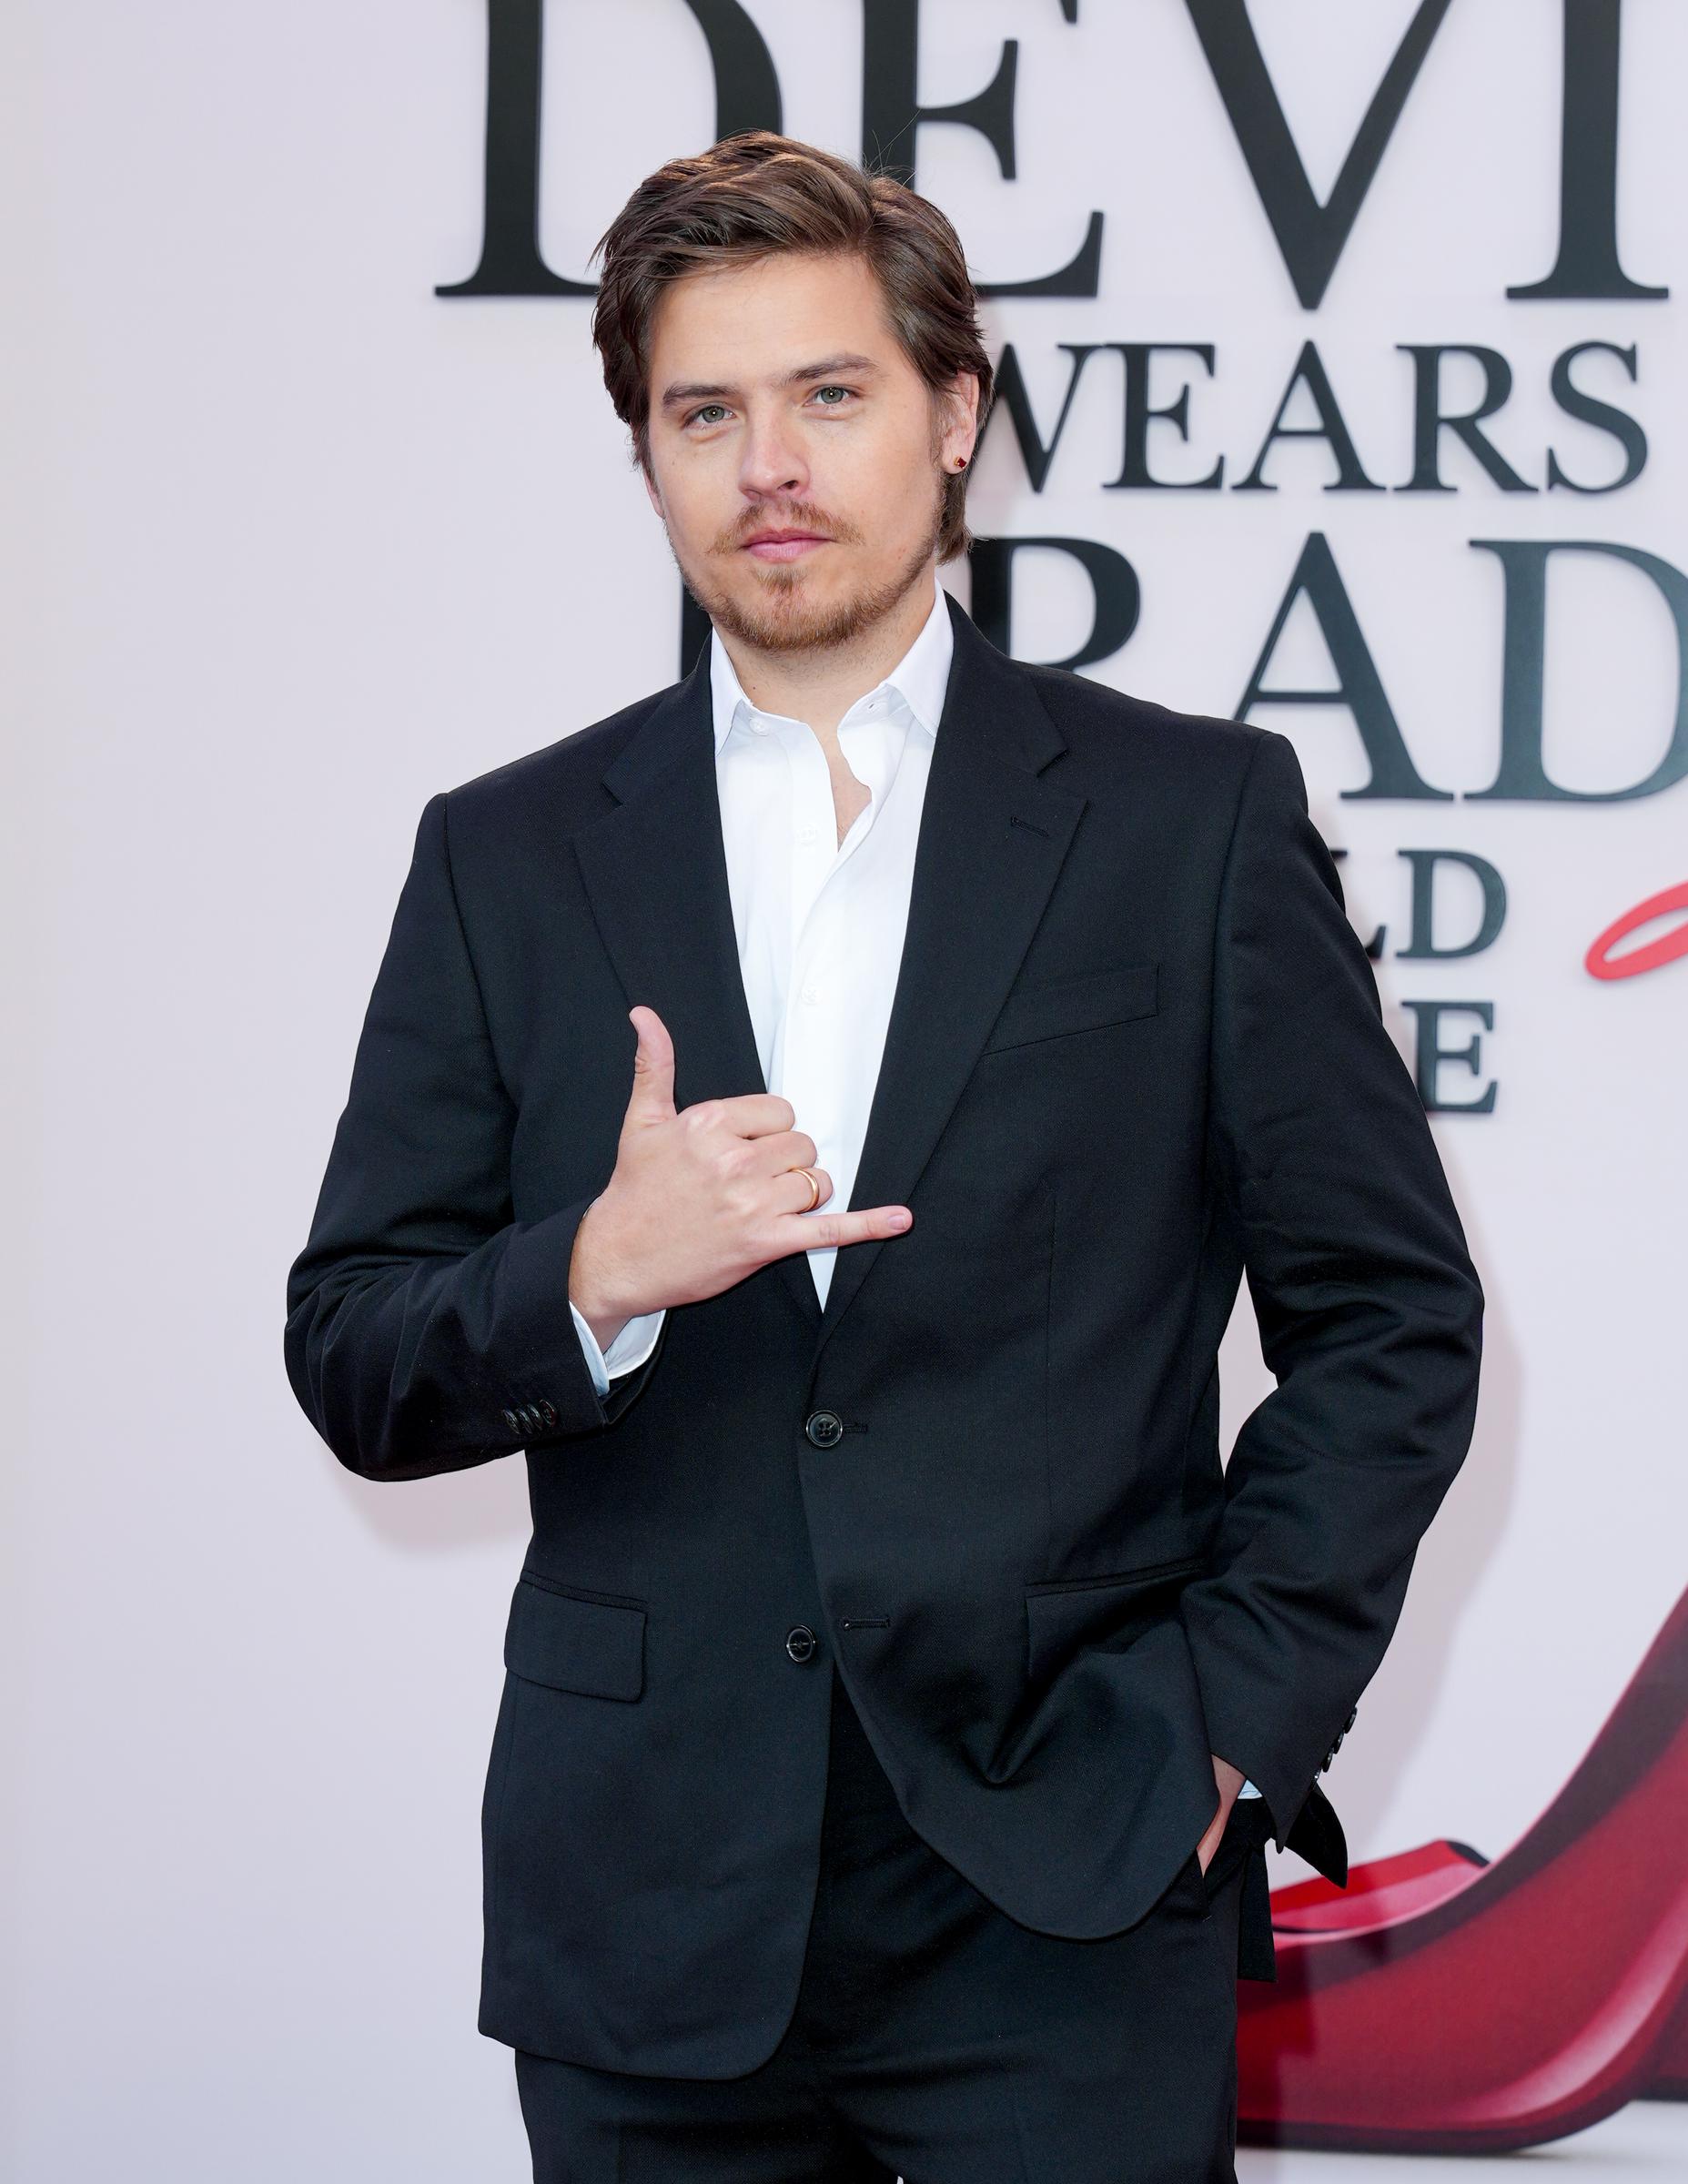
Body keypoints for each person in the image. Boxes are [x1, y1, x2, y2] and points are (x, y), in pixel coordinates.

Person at [285, 130, 1484, 2182]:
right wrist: (591, 1276)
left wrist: (1226, 1722)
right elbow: (354, 1351)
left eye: (828, 394)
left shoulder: (1186, 821)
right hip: (650, 1904)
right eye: (704, 413)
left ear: (951, 418)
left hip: (1073, 1879)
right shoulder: (506, 855)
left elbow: (1390, 1320)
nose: (769, 465)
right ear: (647, 457)